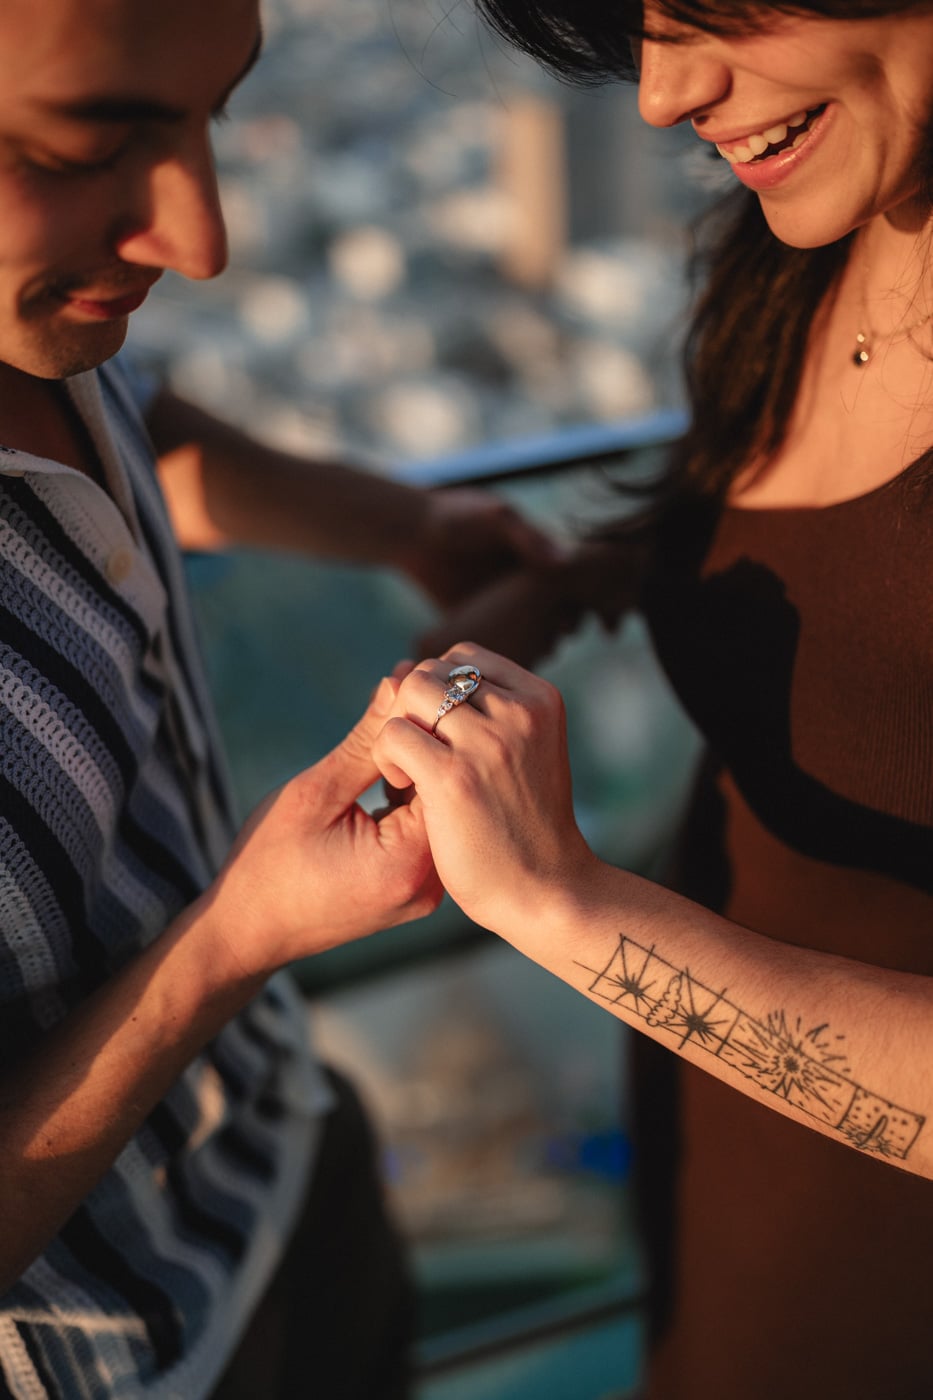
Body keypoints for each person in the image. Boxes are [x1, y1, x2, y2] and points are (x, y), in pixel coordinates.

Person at [371, 3, 933, 1397]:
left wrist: (566, 905)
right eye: (637, 32)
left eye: (712, 12)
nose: (661, 96)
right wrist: (579, 582)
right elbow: (849, 581)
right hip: (737, 1129)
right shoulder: (819, 226)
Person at [0, 2, 558, 1396]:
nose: (199, 239)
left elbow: (144, 438)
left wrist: (394, 526)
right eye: (88, 145)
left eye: (213, 117)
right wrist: (236, 936)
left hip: (294, 1152)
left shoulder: (36, 325)